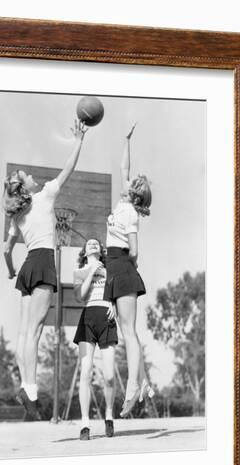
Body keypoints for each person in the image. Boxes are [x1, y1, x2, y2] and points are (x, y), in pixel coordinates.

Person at [3, 120, 88, 420]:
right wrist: (79, 140)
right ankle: (31, 392)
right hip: (42, 263)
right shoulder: (46, 196)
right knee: (36, 332)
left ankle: (26, 388)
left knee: (24, 332)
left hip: (27, 266)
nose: (31, 175)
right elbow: (69, 167)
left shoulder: (18, 217)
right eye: (26, 175)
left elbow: (5, 249)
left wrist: (11, 271)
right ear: (24, 188)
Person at [103, 123, 154, 417]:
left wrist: (129, 267)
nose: (128, 179)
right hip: (115, 267)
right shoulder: (124, 200)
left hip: (122, 265)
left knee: (128, 332)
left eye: (132, 181)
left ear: (133, 192)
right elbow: (124, 166)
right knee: (125, 331)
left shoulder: (131, 214)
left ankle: (134, 386)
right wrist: (126, 139)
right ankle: (143, 381)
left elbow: (135, 250)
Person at [73, 238, 118, 440]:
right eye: (89, 243)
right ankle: (85, 424)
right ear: (84, 251)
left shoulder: (110, 272)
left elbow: (117, 296)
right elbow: (80, 296)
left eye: (96, 243)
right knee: (85, 373)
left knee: (109, 376)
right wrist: (91, 270)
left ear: (101, 250)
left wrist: (114, 305)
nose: (93, 244)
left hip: (106, 319)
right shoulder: (79, 272)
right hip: (88, 319)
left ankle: (109, 415)